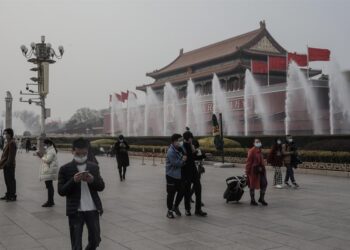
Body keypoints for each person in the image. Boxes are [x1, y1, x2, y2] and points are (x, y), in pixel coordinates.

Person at [58, 137, 105, 250]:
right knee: (76, 245)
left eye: (84, 154)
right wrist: (73, 181)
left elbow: (101, 187)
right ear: (73, 151)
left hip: (92, 209)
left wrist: (92, 180)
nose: (81, 156)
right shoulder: (65, 169)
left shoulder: (93, 167)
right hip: (75, 211)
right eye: (78, 154)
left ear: (87, 152)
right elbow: (61, 191)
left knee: (95, 240)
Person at [182, 130, 207, 217]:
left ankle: (198, 209)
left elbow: (193, 157)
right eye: (191, 138)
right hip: (186, 172)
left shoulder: (190, 145)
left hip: (193, 170)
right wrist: (196, 152)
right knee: (187, 191)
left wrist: (204, 155)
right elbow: (191, 157)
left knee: (198, 188)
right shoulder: (183, 147)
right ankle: (187, 210)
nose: (191, 140)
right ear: (188, 138)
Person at [165, 133, 186, 219]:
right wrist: (184, 160)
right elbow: (176, 164)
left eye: (181, 140)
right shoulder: (171, 151)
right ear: (174, 141)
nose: (181, 142)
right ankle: (169, 211)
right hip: (171, 176)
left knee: (182, 191)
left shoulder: (180, 148)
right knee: (171, 194)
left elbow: (186, 153)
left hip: (179, 176)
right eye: (179, 140)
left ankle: (175, 206)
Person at [245, 138, 268, 206]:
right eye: (257, 142)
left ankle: (261, 198)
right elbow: (248, 162)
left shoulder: (259, 150)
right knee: (252, 186)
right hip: (253, 172)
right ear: (254, 143)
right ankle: (252, 200)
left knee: (264, 184)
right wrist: (247, 172)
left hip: (261, 171)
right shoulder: (251, 151)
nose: (258, 143)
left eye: (259, 142)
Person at [37, 139, 59, 207]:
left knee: (49, 186)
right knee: (49, 186)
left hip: (49, 171)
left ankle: (50, 201)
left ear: (48, 144)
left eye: (45, 144)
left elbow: (47, 160)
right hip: (49, 170)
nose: (44, 146)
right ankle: (51, 201)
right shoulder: (50, 150)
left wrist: (41, 156)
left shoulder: (51, 151)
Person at [0, 128, 17, 201]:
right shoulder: (9, 142)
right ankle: (8, 194)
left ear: (10, 134)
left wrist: (7, 164)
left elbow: (11, 156)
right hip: (6, 165)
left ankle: (12, 196)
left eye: (6, 133)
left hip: (9, 166)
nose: (5, 135)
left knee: (10, 181)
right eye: (4, 134)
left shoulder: (12, 143)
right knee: (7, 181)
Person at [190, 139, 206, 206]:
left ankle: (191, 197)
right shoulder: (191, 151)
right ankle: (189, 197)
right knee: (194, 185)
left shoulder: (198, 150)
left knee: (196, 186)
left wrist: (201, 167)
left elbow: (201, 160)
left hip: (197, 170)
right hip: (192, 170)